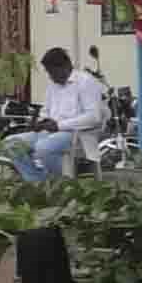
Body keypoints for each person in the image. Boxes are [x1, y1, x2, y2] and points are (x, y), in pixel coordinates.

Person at [16, 45, 110, 182]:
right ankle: (37, 181)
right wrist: (41, 122)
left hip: (77, 135)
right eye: (48, 72)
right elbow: (45, 111)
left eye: (52, 72)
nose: (50, 76)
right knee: (11, 145)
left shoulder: (85, 82)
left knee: (43, 148)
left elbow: (94, 117)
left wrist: (59, 125)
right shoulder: (53, 85)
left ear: (66, 66)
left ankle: (64, 182)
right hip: (50, 132)